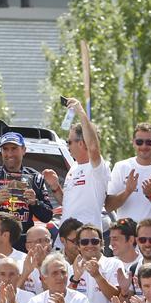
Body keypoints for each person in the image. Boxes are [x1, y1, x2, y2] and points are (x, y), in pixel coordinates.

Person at [0, 132, 54, 246]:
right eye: (5, 149)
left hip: (25, 244)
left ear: (23, 150)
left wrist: (35, 203)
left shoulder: (35, 178)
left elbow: (47, 215)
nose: (9, 153)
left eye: (14, 148)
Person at [44, 98, 108, 229]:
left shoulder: (96, 166)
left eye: (69, 142)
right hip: (67, 237)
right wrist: (55, 187)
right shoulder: (74, 167)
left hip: (88, 239)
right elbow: (66, 203)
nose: (67, 146)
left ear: (81, 143)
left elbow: (94, 147)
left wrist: (80, 111)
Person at [107, 123, 151, 237]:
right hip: (125, 241)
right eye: (139, 142)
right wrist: (127, 192)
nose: (144, 146)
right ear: (133, 142)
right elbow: (108, 206)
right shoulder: (121, 166)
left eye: (149, 142)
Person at [68, 223, 123, 303]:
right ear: (78, 246)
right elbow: (66, 302)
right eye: (85, 242)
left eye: (94, 241)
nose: (90, 245)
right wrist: (76, 278)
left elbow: (116, 297)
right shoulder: (72, 269)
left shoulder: (114, 264)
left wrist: (97, 276)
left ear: (102, 244)